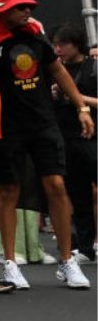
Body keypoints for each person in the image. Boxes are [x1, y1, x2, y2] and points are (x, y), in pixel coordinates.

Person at [0, 0, 93, 290]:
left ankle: (67, 260)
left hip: (44, 123)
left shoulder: (36, 36)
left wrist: (81, 107)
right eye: (20, 7)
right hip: (7, 126)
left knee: (57, 185)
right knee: (8, 191)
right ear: (2, 10)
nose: (27, 11)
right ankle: (9, 262)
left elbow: (58, 71)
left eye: (29, 6)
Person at [51, 24, 97, 262]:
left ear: (76, 43)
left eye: (63, 44)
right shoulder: (54, 69)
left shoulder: (93, 67)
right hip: (66, 137)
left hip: (92, 137)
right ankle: (86, 247)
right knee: (78, 195)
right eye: (55, 45)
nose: (58, 49)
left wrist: (77, 99)